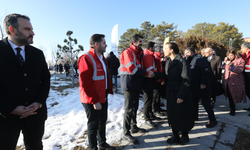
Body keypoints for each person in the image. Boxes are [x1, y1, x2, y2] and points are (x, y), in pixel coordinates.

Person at [0, 13, 50, 150]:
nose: (32, 33)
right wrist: (11, 108)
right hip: (5, 118)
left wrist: (38, 102)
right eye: (27, 29)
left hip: (35, 116)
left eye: (31, 28)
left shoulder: (37, 54)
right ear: (12, 30)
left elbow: (45, 80)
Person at [77, 34, 116, 150]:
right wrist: (94, 101)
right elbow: (86, 83)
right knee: (93, 125)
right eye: (104, 43)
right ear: (96, 44)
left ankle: (102, 143)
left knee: (102, 121)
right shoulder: (86, 58)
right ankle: (93, 148)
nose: (106, 45)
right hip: (91, 99)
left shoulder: (102, 57)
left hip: (102, 96)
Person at [155, 42, 194, 145]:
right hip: (171, 92)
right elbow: (166, 74)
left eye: (165, 48)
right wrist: (154, 74)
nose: (164, 50)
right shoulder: (169, 61)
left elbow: (186, 80)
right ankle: (175, 134)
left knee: (182, 114)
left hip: (180, 92)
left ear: (172, 50)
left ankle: (185, 135)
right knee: (172, 113)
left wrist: (181, 95)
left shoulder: (182, 62)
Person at [120, 34, 154, 144]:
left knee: (134, 107)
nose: (142, 43)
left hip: (135, 84)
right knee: (129, 109)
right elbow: (132, 69)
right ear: (134, 42)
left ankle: (133, 127)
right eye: (140, 41)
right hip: (129, 84)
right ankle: (126, 133)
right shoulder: (128, 52)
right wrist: (147, 73)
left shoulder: (138, 53)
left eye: (142, 41)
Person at [184, 47, 217, 128]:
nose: (184, 55)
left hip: (202, 86)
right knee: (194, 103)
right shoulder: (191, 59)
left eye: (185, 53)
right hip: (195, 86)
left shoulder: (198, 59)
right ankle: (194, 117)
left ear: (189, 53)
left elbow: (206, 71)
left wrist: (203, 83)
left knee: (206, 104)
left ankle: (213, 120)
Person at [142, 42, 162, 128]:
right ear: (150, 48)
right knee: (147, 100)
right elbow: (150, 69)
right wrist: (156, 75)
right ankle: (147, 118)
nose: (155, 48)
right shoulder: (146, 56)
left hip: (151, 79)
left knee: (150, 99)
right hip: (147, 80)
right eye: (154, 47)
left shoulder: (150, 55)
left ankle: (151, 114)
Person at [222, 49, 246, 116]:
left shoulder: (241, 60)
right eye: (228, 55)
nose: (230, 57)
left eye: (231, 55)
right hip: (227, 80)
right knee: (229, 95)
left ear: (235, 55)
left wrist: (231, 66)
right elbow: (222, 67)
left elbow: (240, 70)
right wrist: (225, 62)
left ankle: (233, 109)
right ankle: (232, 107)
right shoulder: (228, 60)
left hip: (236, 81)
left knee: (233, 95)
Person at [153, 46, 166, 115]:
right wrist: (160, 79)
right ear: (158, 51)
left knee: (159, 95)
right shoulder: (156, 58)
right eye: (161, 50)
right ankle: (155, 109)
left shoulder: (159, 58)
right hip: (157, 80)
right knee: (156, 96)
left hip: (160, 79)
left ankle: (158, 108)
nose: (163, 52)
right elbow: (158, 70)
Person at [241, 42, 250, 116]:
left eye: (242, 48)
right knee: (247, 91)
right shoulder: (245, 55)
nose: (241, 49)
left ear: (246, 48)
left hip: (249, 75)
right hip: (246, 75)